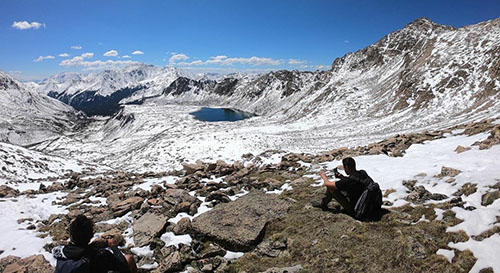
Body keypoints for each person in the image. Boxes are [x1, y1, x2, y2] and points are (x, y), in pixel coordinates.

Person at [52, 214, 138, 273]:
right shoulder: (99, 255)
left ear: (71, 235)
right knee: (129, 259)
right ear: (92, 234)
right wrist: (114, 247)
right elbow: (123, 266)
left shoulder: (61, 253)